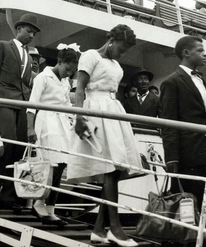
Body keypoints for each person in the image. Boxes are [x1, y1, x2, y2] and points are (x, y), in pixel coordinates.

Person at [68, 24, 142, 247]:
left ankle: (99, 229)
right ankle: (116, 229)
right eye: (122, 47)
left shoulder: (117, 65)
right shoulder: (90, 56)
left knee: (116, 169)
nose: (123, 53)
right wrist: (79, 118)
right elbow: (79, 90)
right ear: (112, 41)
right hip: (95, 112)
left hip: (113, 112)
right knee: (110, 168)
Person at [160, 36, 206, 247]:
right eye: (200, 50)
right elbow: (168, 122)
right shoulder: (171, 82)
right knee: (187, 212)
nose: (205, 54)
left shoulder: (202, 81)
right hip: (186, 156)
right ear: (186, 53)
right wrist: (172, 159)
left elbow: (204, 116)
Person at [0, 14, 40, 211]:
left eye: (33, 33)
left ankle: (8, 196)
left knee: (18, 149)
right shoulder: (2, 45)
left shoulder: (30, 57)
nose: (31, 35)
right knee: (5, 144)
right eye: (28, 31)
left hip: (22, 103)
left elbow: (26, 83)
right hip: (2, 100)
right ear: (19, 29)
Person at [27, 43, 80, 226]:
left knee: (61, 164)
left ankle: (51, 208)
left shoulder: (66, 82)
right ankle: (39, 203)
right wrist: (30, 128)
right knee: (49, 165)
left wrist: (78, 119)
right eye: (67, 69)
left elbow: (66, 105)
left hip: (62, 124)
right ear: (59, 61)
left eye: (72, 72)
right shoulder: (43, 77)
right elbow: (32, 104)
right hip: (46, 123)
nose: (69, 74)